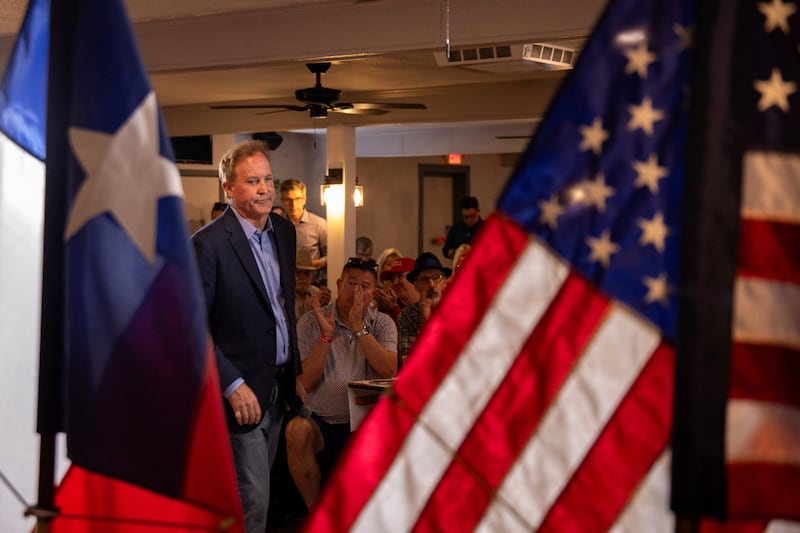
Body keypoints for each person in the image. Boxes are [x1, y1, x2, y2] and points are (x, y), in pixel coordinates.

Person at [191, 139, 301, 533]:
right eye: (253, 181)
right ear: (228, 188)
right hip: (239, 393)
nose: (265, 189)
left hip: (278, 387)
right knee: (252, 501)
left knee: (259, 497)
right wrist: (232, 384)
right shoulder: (208, 244)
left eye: (268, 179)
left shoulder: (284, 232)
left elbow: (280, 308)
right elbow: (192, 327)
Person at [284, 258, 397, 511]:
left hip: (364, 422)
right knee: (296, 431)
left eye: (365, 286)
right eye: (351, 283)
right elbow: (304, 381)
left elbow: (389, 369)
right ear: (338, 284)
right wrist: (326, 335)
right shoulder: (311, 322)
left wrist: (359, 327)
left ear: (374, 291)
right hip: (321, 420)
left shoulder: (382, 323)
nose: (356, 292)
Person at [397, 252, 451, 364]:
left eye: (436, 278)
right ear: (416, 286)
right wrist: (425, 316)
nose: (431, 284)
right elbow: (408, 362)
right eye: (425, 280)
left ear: (445, 282)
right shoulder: (407, 315)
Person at [280, 179, 327, 270]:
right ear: (282, 201)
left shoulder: (319, 224)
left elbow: (332, 255)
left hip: (312, 280)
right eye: (288, 199)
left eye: (297, 199)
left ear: (304, 199)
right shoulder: (276, 225)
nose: (293, 204)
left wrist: (312, 263)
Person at [378, 256, 419, 322]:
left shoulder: (429, 307)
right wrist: (381, 309)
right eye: (392, 279)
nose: (395, 282)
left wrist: (393, 309)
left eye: (400, 276)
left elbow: (412, 329)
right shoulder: (393, 305)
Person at [295, 249, 331, 323]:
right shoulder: (285, 297)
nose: (302, 277)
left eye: (306, 273)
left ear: (312, 275)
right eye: (297, 273)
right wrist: (311, 311)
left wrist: (325, 308)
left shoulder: (317, 293)